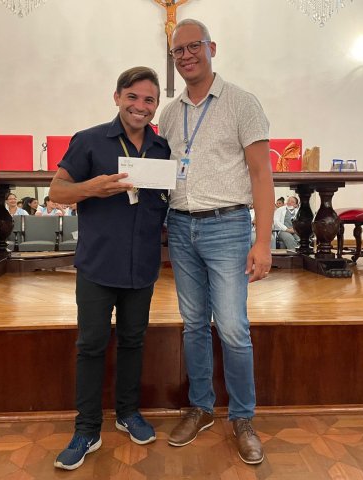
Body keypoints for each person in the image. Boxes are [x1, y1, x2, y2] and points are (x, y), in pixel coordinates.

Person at [158, 19, 274, 465]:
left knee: (232, 327)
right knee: (193, 324)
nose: (186, 55)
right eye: (179, 50)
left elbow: (262, 174)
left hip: (227, 226)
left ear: (212, 48)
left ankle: (242, 417)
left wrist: (262, 242)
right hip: (180, 226)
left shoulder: (242, 103)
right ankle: (201, 407)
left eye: (194, 47)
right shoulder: (170, 113)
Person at [48, 66, 170, 471]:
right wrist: (92, 188)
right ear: (117, 97)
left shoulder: (162, 148)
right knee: (91, 346)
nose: (140, 106)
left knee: (134, 342)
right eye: (132, 97)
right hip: (98, 265)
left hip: (142, 267)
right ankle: (86, 429)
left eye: (149, 100)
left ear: (156, 105)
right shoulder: (89, 140)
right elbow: (57, 190)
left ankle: (127, 412)